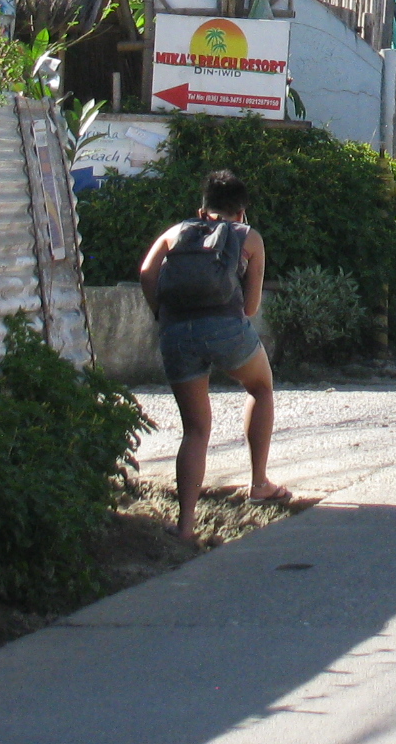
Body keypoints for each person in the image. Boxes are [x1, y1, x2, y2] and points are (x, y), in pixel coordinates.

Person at [138, 170, 292, 542]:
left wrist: (163, 313)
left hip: (177, 333)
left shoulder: (176, 232)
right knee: (260, 388)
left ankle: (185, 525)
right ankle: (259, 483)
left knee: (195, 430)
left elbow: (146, 272)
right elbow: (251, 308)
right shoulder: (248, 236)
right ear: (241, 210)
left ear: (202, 209)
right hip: (226, 329)